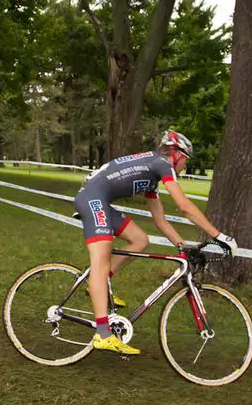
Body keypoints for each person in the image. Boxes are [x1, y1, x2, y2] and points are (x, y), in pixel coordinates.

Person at [73, 129, 237, 355]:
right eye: (185, 161)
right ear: (176, 154)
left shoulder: (152, 176)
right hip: (92, 199)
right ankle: (103, 333)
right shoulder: (162, 164)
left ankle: (99, 285)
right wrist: (220, 236)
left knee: (140, 240)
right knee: (100, 261)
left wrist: (182, 246)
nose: (184, 167)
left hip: (97, 197)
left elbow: (160, 221)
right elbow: (185, 207)